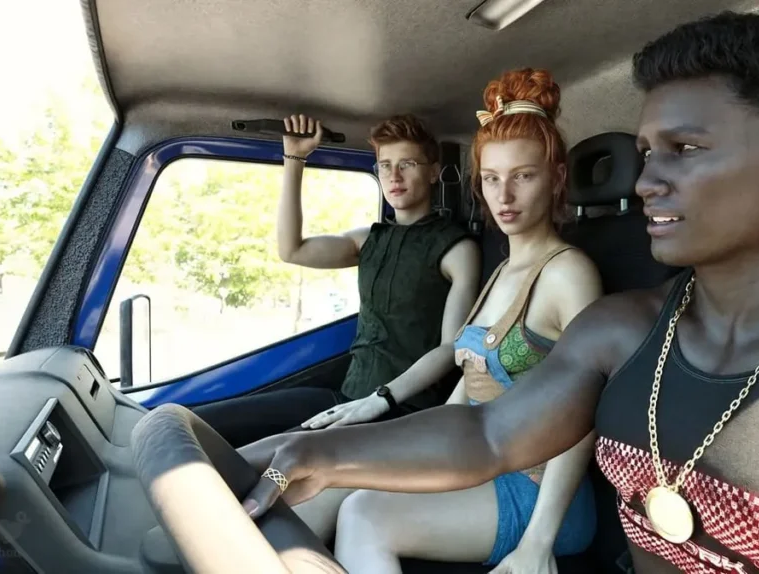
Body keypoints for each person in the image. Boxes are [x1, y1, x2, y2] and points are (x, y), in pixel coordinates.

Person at [241, 11, 759, 574]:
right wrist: (308, 453)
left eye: (685, 150)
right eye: (648, 153)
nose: (647, 180)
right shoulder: (624, 327)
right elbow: (488, 435)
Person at [241, 68, 605, 571]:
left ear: (557, 177)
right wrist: (385, 437)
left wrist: (537, 544)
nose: (504, 196)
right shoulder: (502, 271)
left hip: (537, 491)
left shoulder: (567, 274)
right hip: (475, 460)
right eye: (492, 178)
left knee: (365, 514)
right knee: (322, 475)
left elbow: (582, 414)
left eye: (523, 176)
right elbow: (466, 397)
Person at [193, 114, 481, 447]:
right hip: (347, 396)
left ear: (432, 172)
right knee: (201, 424)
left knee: (265, 459)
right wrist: (295, 158)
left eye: (407, 164)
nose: (394, 176)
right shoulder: (368, 240)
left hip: (400, 411)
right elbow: (292, 249)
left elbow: (450, 347)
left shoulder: (457, 248)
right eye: (384, 166)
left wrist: (381, 398)